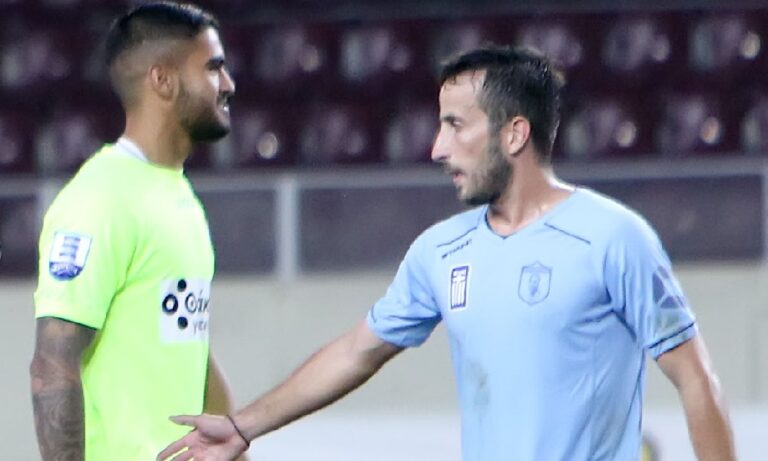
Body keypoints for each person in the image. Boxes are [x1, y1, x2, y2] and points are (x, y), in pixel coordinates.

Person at [158, 46, 736, 461]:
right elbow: (358, 351)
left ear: (514, 134)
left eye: (455, 125)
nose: (437, 147)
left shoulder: (613, 238)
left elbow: (696, 379)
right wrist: (243, 426)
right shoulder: (440, 250)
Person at [30, 2, 239, 460]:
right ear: (162, 80)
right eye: (212, 68)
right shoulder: (99, 199)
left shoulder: (178, 196)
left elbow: (188, 344)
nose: (228, 84)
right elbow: (53, 362)